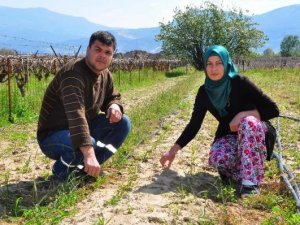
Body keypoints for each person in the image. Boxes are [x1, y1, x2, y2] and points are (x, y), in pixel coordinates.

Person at [160, 45, 279, 197]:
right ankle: (245, 170)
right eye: (209, 63)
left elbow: (273, 109)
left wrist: (242, 115)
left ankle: (250, 183)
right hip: (230, 135)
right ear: (204, 66)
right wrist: (172, 151)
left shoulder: (240, 82)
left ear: (226, 63)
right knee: (217, 157)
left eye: (218, 63)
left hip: (255, 133)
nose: (214, 68)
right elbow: (194, 124)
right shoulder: (204, 92)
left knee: (248, 122)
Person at [37, 31, 131, 181]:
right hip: (53, 134)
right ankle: (60, 173)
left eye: (108, 52)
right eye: (98, 50)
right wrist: (89, 153)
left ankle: (86, 170)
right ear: (88, 50)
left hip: (83, 125)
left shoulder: (104, 73)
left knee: (123, 122)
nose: (102, 56)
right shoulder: (73, 75)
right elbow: (76, 116)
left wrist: (114, 106)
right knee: (87, 144)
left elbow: (113, 96)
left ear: (112, 56)